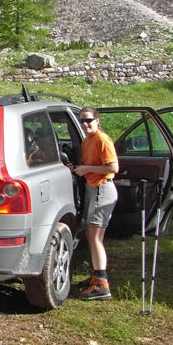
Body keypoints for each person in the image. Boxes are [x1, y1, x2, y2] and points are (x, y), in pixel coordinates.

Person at [70, 106, 119, 301]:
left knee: (95, 236)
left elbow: (113, 167)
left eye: (89, 120)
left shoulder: (101, 139)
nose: (85, 124)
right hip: (94, 188)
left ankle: (102, 284)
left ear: (97, 120)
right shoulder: (87, 141)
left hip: (102, 189)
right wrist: (77, 169)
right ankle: (96, 276)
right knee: (92, 235)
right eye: (82, 121)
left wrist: (86, 168)